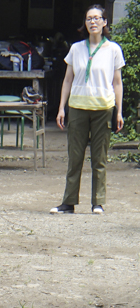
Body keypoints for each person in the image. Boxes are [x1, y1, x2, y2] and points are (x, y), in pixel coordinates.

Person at [51, 4, 124, 215]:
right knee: (75, 157)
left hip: (103, 109)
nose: (93, 22)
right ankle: (68, 202)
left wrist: (118, 111)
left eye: (97, 18)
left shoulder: (113, 49)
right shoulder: (76, 48)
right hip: (78, 108)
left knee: (99, 158)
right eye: (89, 18)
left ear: (104, 22)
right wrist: (61, 108)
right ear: (85, 23)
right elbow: (67, 80)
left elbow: (117, 82)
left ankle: (98, 202)